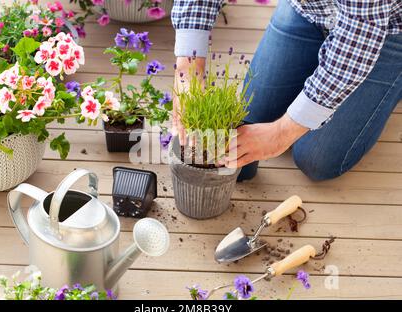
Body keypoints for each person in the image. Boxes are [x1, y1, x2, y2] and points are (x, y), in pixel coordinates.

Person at [171, 0, 402, 181]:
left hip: (385, 29)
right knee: (252, 117)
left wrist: (282, 132)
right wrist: (188, 68)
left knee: (315, 159)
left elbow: (356, 40)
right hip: (309, 9)